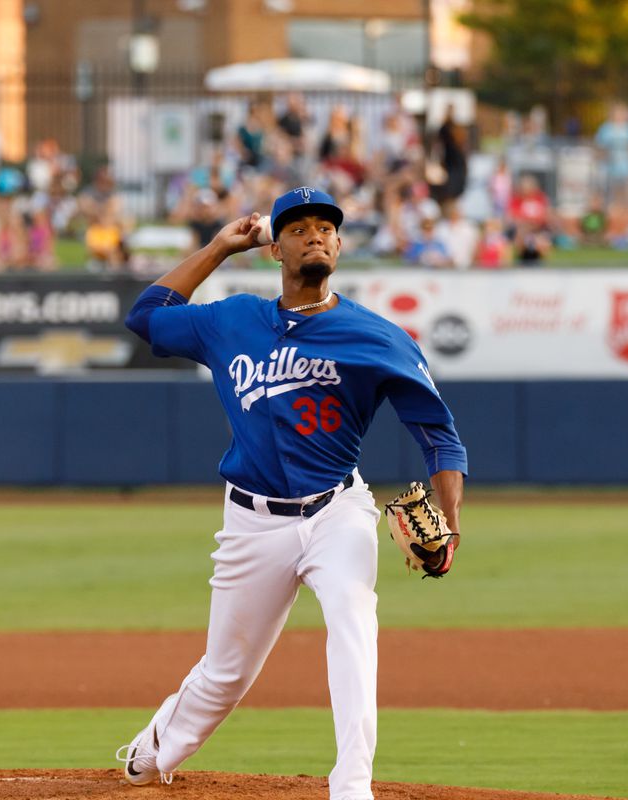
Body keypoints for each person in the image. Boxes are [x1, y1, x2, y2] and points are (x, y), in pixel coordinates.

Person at [118, 186, 467, 800]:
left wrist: (451, 514)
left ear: (338, 244)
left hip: (338, 510)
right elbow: (145, 316)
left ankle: (352, 785)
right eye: (299, 228)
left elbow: (439, 435)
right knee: (225, 674)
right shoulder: (231, 320)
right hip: (252, 521)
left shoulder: (378, 337)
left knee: (354, 622)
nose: (316, 235)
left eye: (326, 228)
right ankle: (152, 752)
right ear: (276, 247)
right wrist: (219, 248)